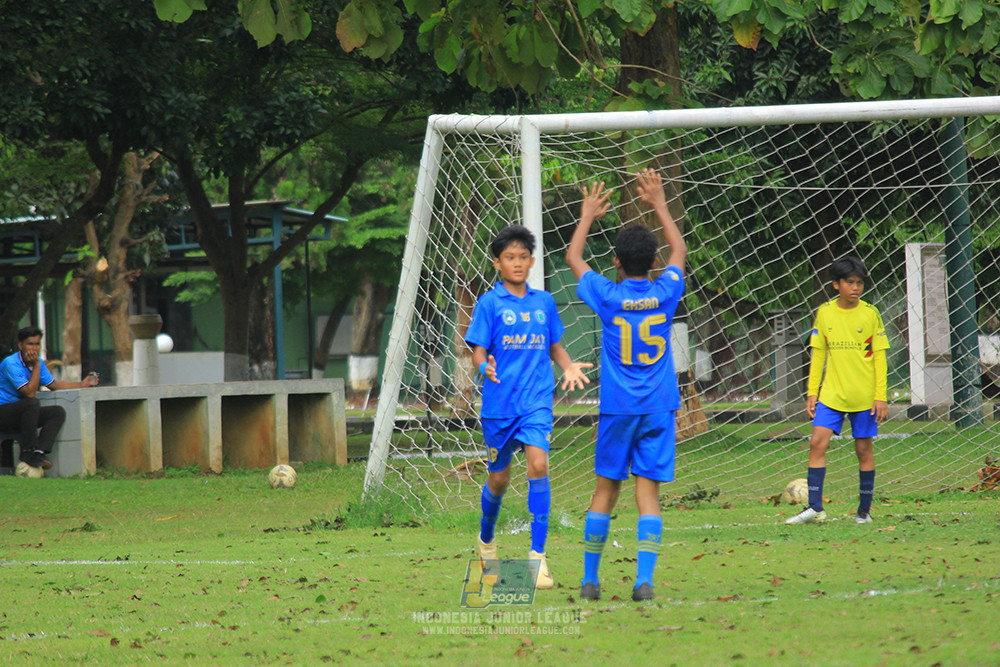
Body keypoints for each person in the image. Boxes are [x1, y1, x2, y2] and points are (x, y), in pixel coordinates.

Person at [565, 168, 687, 603]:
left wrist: (586, 217)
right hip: (658, 406)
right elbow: (680, 249)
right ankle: (643, 581)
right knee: (646, 493)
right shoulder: (667, 292)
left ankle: (590, 580)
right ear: (653, 263)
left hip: (617, 408)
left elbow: (574, 260)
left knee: (605, 490)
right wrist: (659, 203)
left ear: (615, 263)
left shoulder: (608, 295)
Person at [465, 225, 592, 590]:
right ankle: (486, 542)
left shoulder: (544, 302)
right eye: (510, 258)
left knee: (538, 463)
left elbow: (555, 346)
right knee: (499, 479)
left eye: (523, 257)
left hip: (536, 402)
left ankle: (538, 559)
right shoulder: (490, 304)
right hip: (499, 407)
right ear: (497, 263)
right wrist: (483, 365)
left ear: (532, 262)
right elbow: (477, 351)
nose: (517, 263)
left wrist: (567, 365)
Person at [786, 256, 889, 525]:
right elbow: (818, 354)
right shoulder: (825, 312)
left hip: (863, 396)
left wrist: (881, 396)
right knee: (816, 443)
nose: (855, 288)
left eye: (859, 283)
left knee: (864, 450)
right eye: (850, 282)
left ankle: (863, 512)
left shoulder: (870, 314)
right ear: (836, 284)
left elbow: (880, 357)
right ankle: (815, 508)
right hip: (831, 394)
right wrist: (812, 392)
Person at [0, 326, 99, 470]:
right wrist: (37, 366)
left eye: (37, 344)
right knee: (31, 402)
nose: (34, 348)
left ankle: (39, 452)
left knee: (57, 412)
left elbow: (53, 384)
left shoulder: (37, 361)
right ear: (21, 345)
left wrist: (82, 384)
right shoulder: (11, 363)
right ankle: (28, 452)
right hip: (3, 412)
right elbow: (29, 393)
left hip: (21, 413)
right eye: (30, 344)